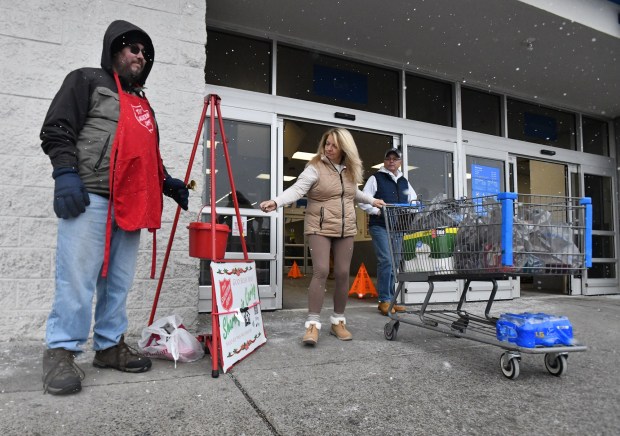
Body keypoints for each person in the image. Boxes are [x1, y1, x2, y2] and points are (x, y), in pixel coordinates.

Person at [40, 20, 189, 395]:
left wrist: (166, 181)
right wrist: (65, 174)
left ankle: (108, 346)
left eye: (144, 52)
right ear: (114, 50)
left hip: (131, 203)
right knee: (77, 279)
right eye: (132, 47)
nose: (139, 55)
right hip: (91, 196)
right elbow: (58, 127)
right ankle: (61, 351)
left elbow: (144, 155)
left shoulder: (142, 103)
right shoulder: (87, 80)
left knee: (118, 283)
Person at [260, 128, 385, 345]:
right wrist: (277, 201)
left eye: (334, 145)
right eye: (327, 143)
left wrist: (372, 201)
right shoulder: (314, 168)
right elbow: (297, 190)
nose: (328, 148)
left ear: (344, 148)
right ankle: (312, 324)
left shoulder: (349, 170)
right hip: (318, 226)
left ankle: (338, 321)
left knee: (344, 273)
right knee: (321, 271)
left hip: (345, 228)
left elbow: (353, 192)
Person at [359, 148, 417, 315]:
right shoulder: (375, 178)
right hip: (380, 226)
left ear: (400, 162)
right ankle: (384, 299)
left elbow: (413, 200)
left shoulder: (404, 181)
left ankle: (391, 299)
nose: (392, 161)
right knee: (386, 261)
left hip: (398, 227)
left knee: (395, 262)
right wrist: (377, 211)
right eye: (389, 158)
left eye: (395, 159)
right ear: (384, 161)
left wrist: (414, 210)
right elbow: (364, 200)